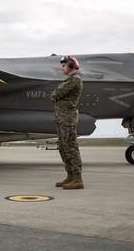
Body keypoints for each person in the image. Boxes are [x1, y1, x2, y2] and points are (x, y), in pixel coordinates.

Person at [51, 56, 84, 190]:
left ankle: (78, 178)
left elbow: (56, 94)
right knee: (63, 147)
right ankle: (70, 176)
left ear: (71, 66)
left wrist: (55, 94)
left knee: (70, 147)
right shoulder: (69, 81)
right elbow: (56, 94)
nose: (62, 68)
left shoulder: (75, 80)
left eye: (64, 65)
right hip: (62, 119)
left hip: (68, 119)